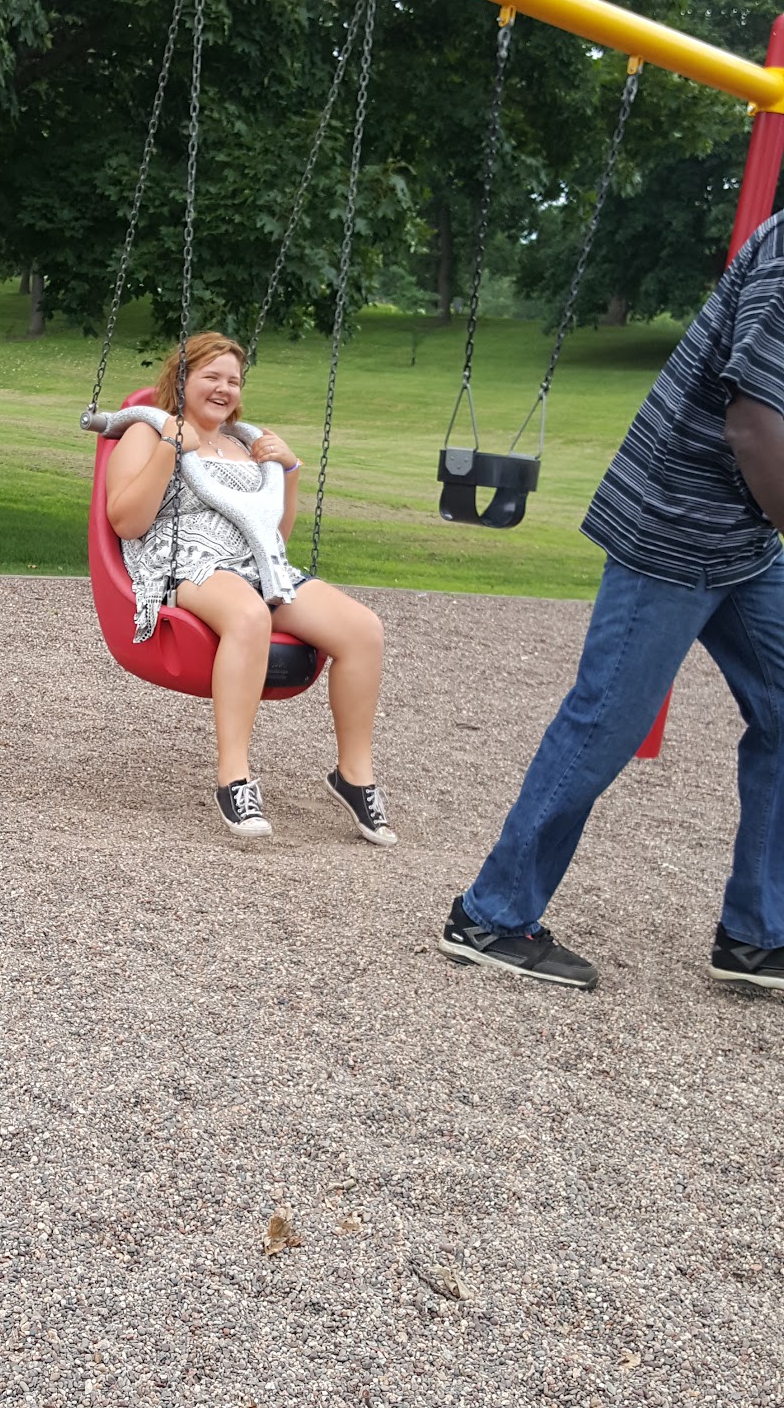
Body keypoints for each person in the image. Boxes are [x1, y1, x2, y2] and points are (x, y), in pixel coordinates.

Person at [439, 209, 784, 992]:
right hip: (675, 520)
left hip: (746, 536)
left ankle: (759, 935)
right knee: (605, 724)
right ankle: (492, 917)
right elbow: (753, 422)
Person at [106, 330, 394, 843]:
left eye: (233, 381)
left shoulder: (244, 443)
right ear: (182, 378)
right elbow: (127, 522)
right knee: (248, 615)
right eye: (211, 376)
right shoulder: (146, 433)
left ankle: (354, 775)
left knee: (363, 630)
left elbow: (275, 536)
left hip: (257, 564)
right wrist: (170, 449)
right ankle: (234, 778)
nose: (224, 389)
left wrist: (289, 472)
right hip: (184, 559)